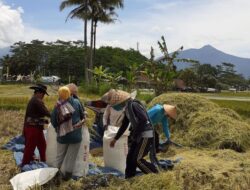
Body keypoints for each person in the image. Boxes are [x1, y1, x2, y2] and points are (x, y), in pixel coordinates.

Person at [108, 89, 159, 178]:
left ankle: (155, 175)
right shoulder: (127, 109)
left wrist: (135, 134)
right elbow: (124, 125)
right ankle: (129, 178)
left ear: (122, 102)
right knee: (130, 158)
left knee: (137, 159)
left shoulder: (134, 105)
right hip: (139, 135)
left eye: (117, 105)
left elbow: (143, 119)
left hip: (146, 134)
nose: (117, 107)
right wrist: (115, 139)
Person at [51, 86, 85, 180]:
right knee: (71, 157)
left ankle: (53, 175)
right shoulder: (77, 102)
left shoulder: (57, 105)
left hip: (62, 136)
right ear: (70, 94)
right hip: (76, 136)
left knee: (59, 157)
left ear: (59, 95)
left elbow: (53, 120)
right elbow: (83, 116)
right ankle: (67, 177)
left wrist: (58, 128)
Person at [22, 84, 50, 166]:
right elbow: (47, 113)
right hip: (32, 128)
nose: (43, 96)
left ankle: (43, 161)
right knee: (30, 147)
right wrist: (56, 116)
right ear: (39, 93)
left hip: (36, 127)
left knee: (42, 145)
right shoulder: (37, 101)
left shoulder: (34, 100)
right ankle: (24, 165)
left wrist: (46, 121)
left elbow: (37, 116)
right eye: (43, 94)